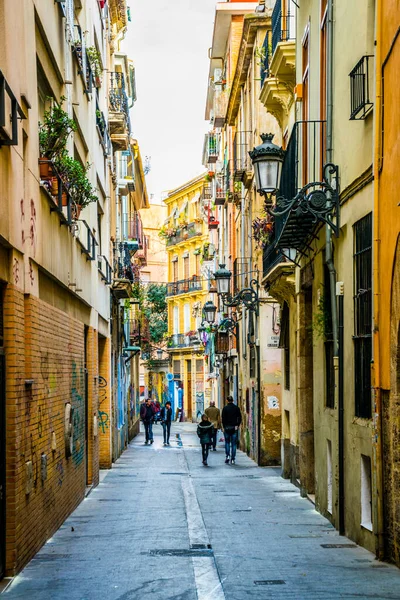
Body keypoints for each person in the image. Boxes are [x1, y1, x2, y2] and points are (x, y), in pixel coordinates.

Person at [221, 396, 242, 465]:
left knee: (227, 443)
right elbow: (240, 417)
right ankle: (233, 459)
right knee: (233, 444)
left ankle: (227, 456)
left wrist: (223, 427)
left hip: (227, 427)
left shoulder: (225, 408)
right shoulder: (236, 408)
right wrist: (237, 425)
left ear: (227, 400)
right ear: (233, 400)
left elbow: (223, 419)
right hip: (234, 428)